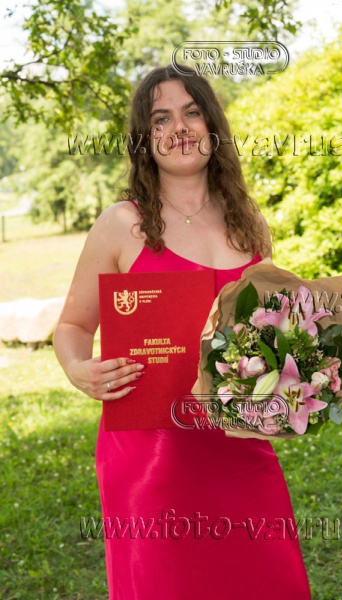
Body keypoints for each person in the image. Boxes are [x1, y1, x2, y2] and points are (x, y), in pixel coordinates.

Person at [53, 64, 312, 599]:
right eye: (161, 118)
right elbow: (73, 325)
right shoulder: (121, 223)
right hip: (151, 459)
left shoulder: (248, 222)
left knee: (266, 580)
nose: (180, 128)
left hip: (238, 448)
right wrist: (79, 369)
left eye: (192, 112)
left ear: (212, 125)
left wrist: (297, 376)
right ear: (145, 139)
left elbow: (268, 331)